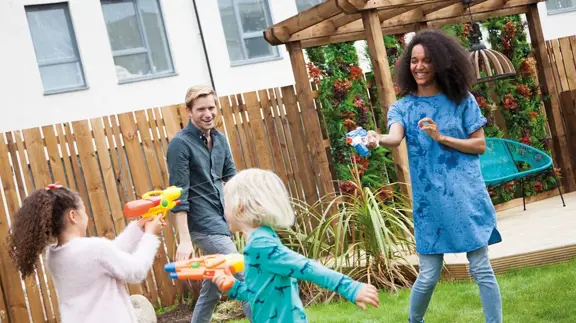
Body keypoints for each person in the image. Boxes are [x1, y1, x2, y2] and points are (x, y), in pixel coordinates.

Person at [366, 29, 503, 323]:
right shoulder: (402, 107)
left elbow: (479, 145)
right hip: (430, 202)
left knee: (480, 268)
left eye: (427, 60)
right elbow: (394, 137)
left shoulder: (462, 100)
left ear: (441, 62)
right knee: (428, 275)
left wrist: (442, 138)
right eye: (414, 61)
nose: (419, 66)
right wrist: (375, 138)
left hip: (466, 196)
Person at [211, 168, 380, 322]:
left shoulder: (260, 245)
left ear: (239, 207)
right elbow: (259, 294)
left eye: (225, 204)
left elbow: (307, 267)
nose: (223, 210)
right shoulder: (261, 240)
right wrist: (232, 286)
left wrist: (350, 287)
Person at [6, 184, 165, 323]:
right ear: (73, 216)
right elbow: (136, 271)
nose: (87, 216)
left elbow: (109, 257)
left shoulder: (54, 256)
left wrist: (138, 228)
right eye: (84, 211)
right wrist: (150, 235)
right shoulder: (94, 249)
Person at [166, 85, 251, 322]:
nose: (208, 113)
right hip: (202, 224)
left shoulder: (220, 139)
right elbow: (178, 194)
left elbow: (231, 181)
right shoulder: (180, 145)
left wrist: (243, 222)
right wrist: (185, 240)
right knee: (242, 273)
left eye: (211, 107)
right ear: (188, 111)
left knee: (212, 287)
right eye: (201, 109)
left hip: (222, 219)